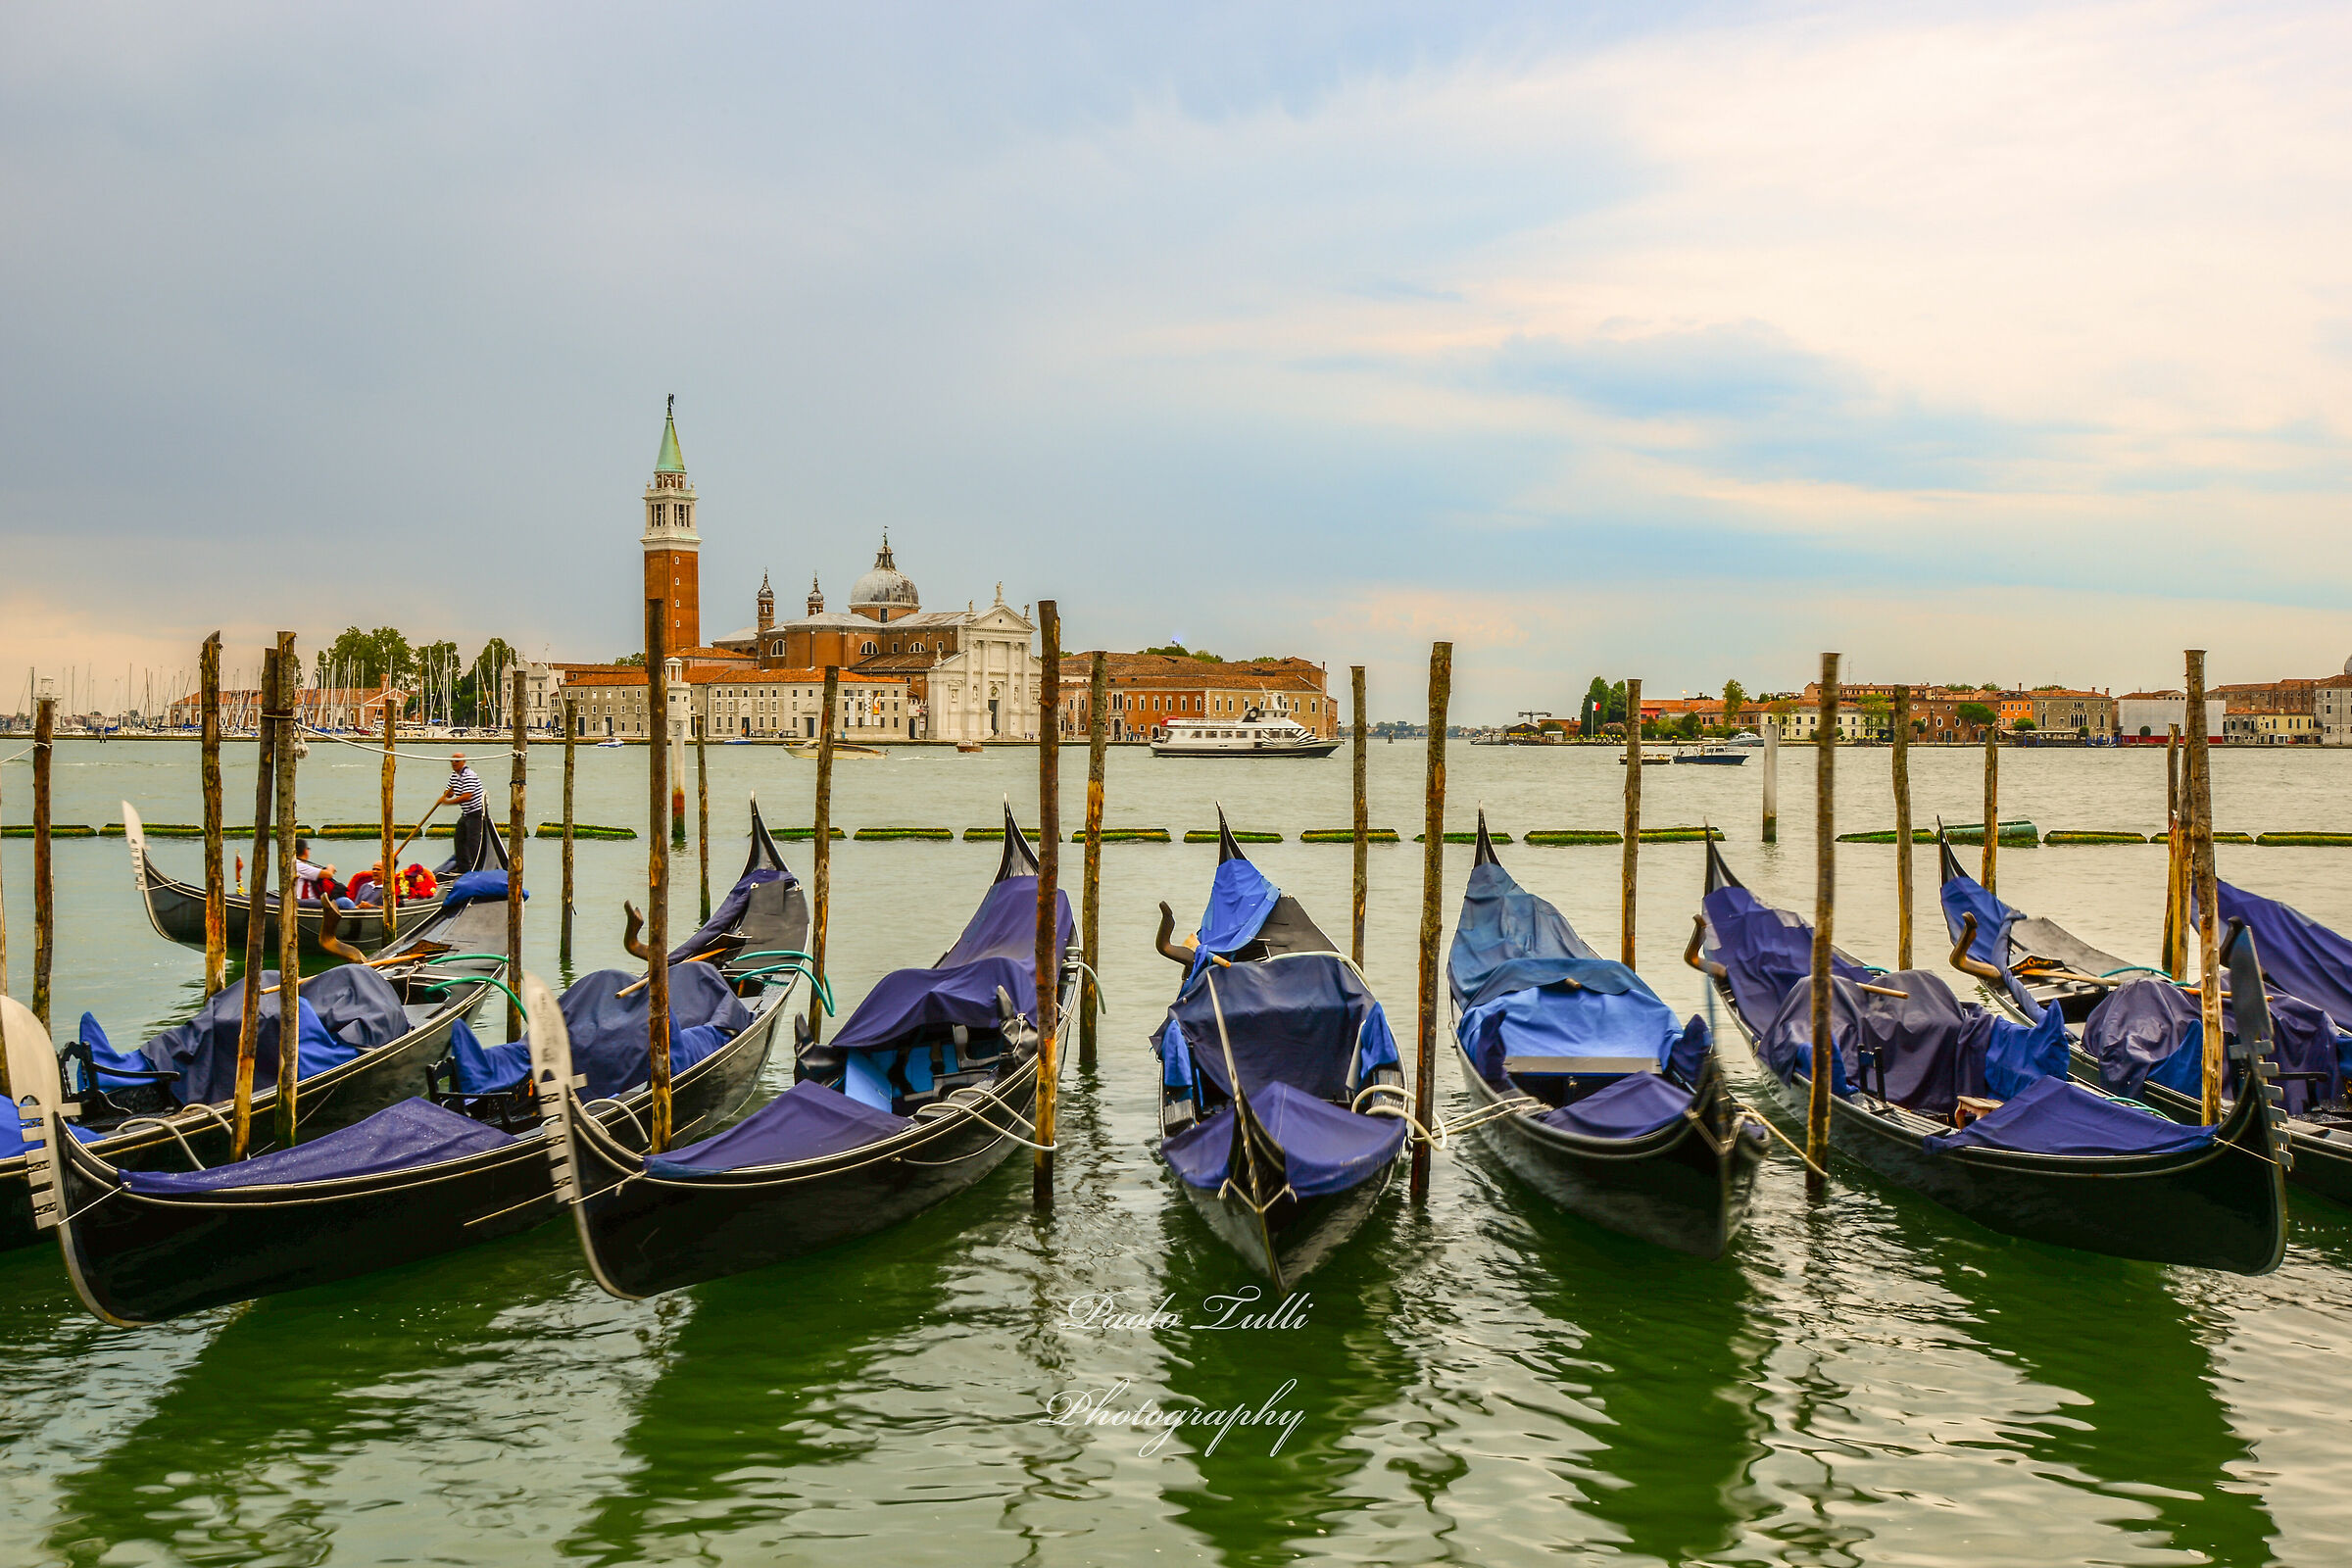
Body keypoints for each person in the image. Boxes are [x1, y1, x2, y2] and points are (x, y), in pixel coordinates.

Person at [439, 751, 487, 870]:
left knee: (473, 842)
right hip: (466, 813)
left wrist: (447, 803)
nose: (454, 763)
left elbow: (467, 796)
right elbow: (449, 793)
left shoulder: (469, 775)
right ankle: (463, 867)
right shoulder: (454, 775)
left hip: (475, 812)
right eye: (452, 761)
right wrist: (447, 794)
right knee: (459, 839)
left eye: (457, 761)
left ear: (464, 762)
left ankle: (477, 868)